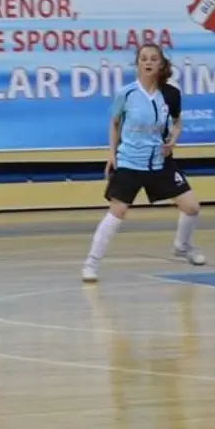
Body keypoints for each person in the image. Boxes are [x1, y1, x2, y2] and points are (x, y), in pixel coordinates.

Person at [82, 43, 206, 283]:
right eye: (143, 58)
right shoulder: (126, 93)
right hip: (130, 161)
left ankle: (182, 246)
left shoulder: (171, 94)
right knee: (118, 211)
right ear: (137, 64)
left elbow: (177, 122)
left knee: (191, 206)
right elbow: (115, 123)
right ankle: (91, 263)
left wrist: (174, 139)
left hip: (160, 162)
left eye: (153, 58)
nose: (148, 62)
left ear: (161, 64)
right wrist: (111, 154)